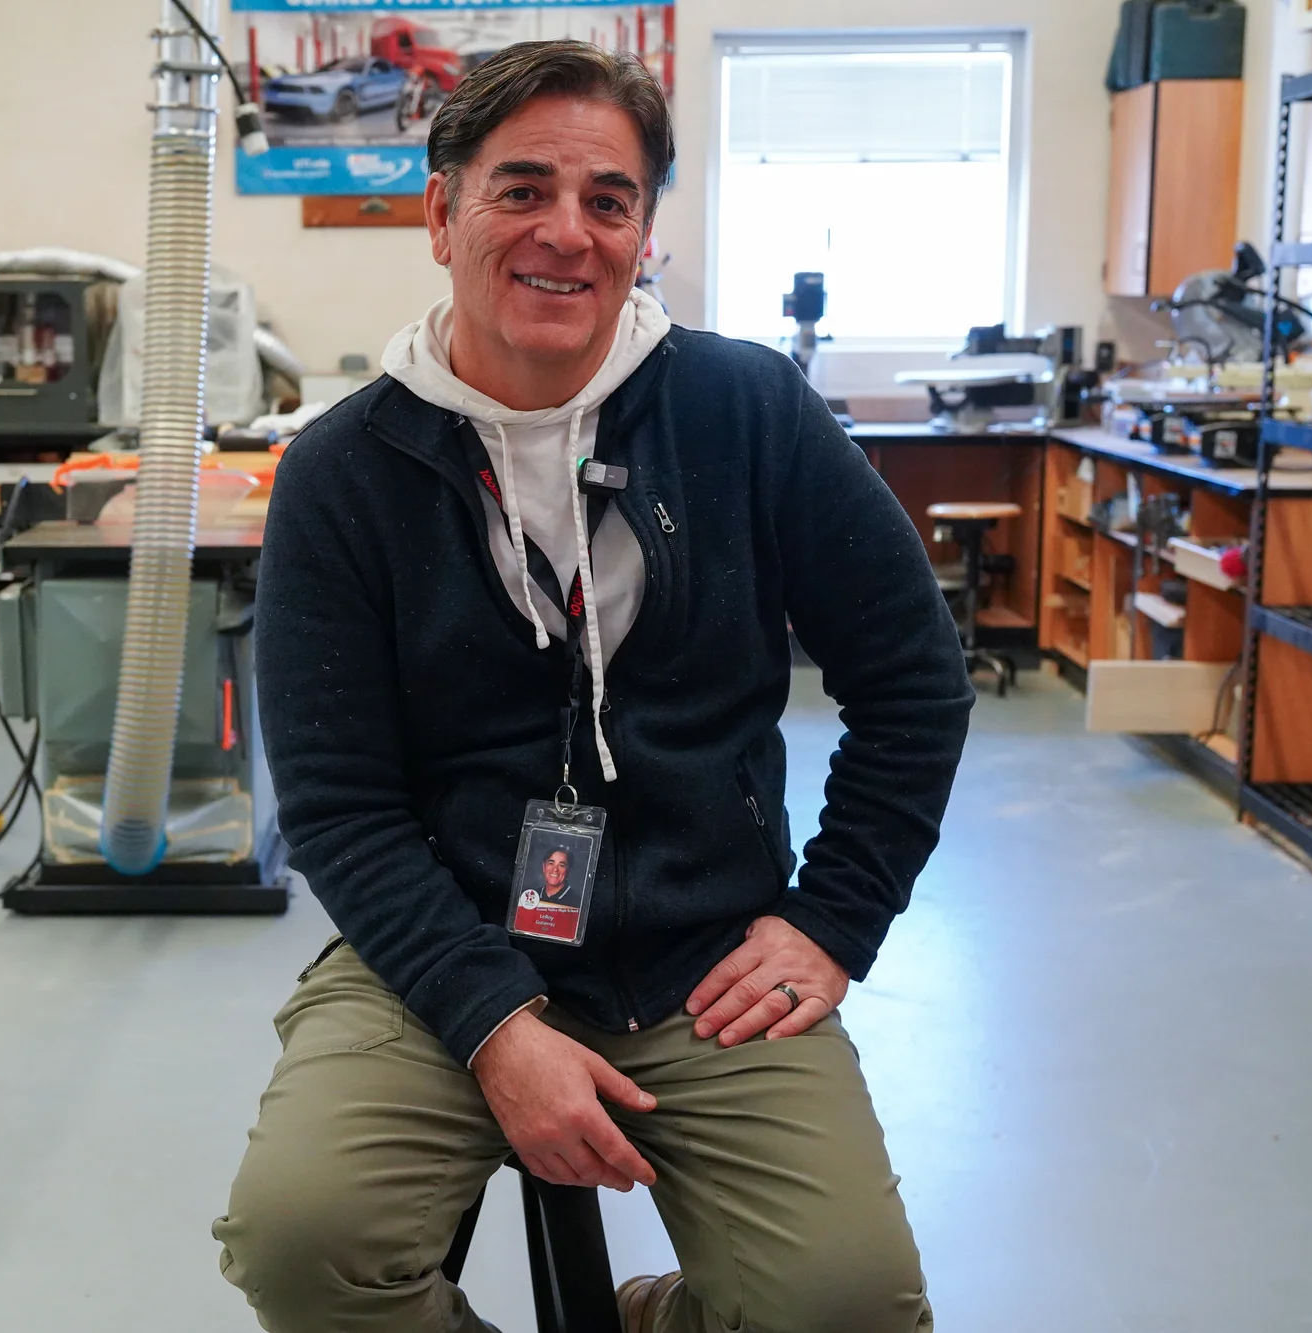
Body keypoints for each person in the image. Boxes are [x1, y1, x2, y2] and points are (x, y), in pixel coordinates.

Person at [216, 39, 973, 1333]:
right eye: (521, 190)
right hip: (442, 946)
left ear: (643, 231)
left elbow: (916, 683)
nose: (566, 234)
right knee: (304, 1245)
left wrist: (833, 921)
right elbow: (340, 806)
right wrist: (492, 1025)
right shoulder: (347, 472)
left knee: (847, 1309)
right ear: (440, 214)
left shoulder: (748, 414)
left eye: (609, 200)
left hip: (706, 957)